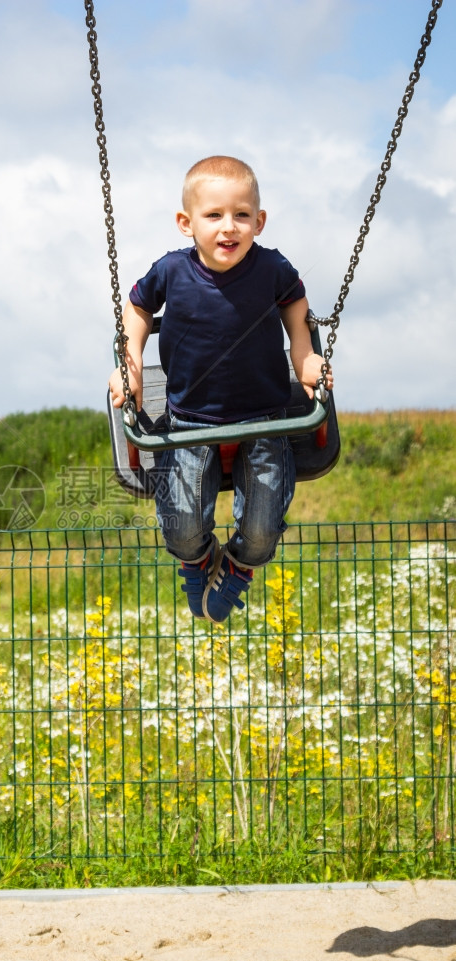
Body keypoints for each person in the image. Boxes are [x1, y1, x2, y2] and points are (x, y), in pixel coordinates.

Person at [108, 155, 333, 623]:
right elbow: (137, 310)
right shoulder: (171, 271)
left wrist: (306, 357)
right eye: (214, 215)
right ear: (186, 223)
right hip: (190, 419)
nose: (228, 227)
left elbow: (296, 312)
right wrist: (130, 363)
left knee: (263, 530)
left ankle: (239, 565)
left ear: (259, 221)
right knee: (182, 529)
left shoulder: (272, 269)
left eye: (242, 215)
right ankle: (198, 559)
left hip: (267, 417)